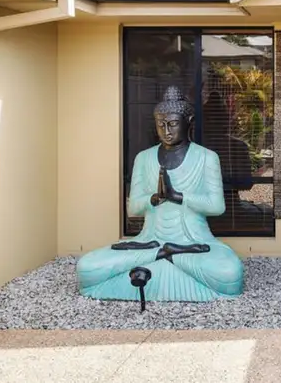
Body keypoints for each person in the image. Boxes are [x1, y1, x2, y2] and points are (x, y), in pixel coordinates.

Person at [76, 86, 244, 302]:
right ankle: (164, 256)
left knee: (229, 272)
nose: (166, 131)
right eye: (160, 124)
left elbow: (217, 206)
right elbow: (134, 208)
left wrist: (178, 197)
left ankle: (154, 266)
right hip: (150, 242)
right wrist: (154, 198)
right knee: (87, 267)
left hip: (194, 242)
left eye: (173, 124)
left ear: (189, 121)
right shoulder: (143, 158)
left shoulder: (206, 157)